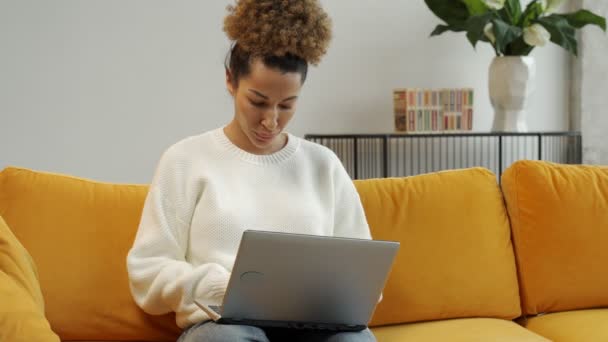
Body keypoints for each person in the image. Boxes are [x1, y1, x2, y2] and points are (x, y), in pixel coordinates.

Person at [127, 1, 376, 341]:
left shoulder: (323, 165)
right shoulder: (185, 160)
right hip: (222, 326)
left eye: (287, 105)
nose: (271, 121)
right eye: (258, 101)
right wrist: (221, 286)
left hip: (314, 326)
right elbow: (148, 270)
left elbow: (364, 279)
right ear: (230, 80)